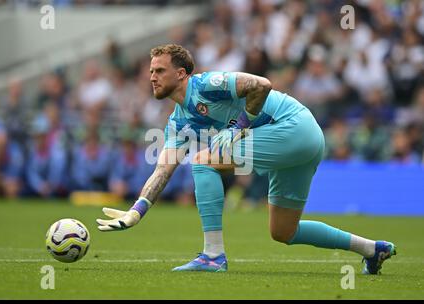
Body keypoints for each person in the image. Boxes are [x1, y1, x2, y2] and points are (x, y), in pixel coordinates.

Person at [96, 44, 396, 274]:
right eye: (151, 71)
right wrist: (135, 212)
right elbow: (163, 170)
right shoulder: (177, 123)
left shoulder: (207, 85)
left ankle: (212, 256)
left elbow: (262, 84)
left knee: (202, 160)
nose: (152, 77)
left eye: (159, 71)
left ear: (181, 73)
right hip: (297, 144)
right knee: (283, 232)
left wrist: (239, 126)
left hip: (294, 127)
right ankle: (372, 249)